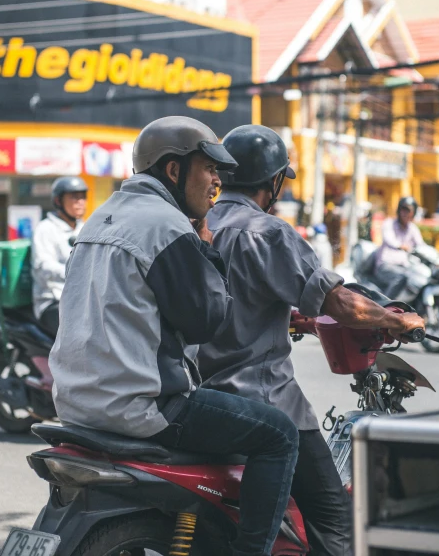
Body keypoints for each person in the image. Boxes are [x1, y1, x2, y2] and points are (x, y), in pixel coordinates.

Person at [49, 116, 301, 556]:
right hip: (145, 407)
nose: (217, 182)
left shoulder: (98, 220)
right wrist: (205, 247)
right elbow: (208, 321)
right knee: (278, 433)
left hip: (77, 403)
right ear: (173, 170)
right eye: (210, 170)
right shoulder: (167, 227)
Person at [196, 125, 425, 556]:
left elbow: (228, 306)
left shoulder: (202, 225)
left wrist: (289, 319)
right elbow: (343, 305)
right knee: (333, 515)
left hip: (206, 399)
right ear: (274, 181)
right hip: (264, 399)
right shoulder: (266, 231)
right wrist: (398, 322)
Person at [31, 176, 88, 337]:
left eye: (83, 196)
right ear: (58, 201)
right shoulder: (45, 229)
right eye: (74, 197)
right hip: (52, 302)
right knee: (83, 338)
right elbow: (43, 266)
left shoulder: (85, 228)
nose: (80, 202)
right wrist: (75, 273)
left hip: (81, 299)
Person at [374, 196, 423, 301]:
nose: (405, 213)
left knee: (416, 277)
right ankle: (384, 305)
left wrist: (436, 258)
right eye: (403, 209)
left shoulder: (413, 228)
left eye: (408, 210)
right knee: (401, 277)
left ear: (413, 213)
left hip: (404, 267)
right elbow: (388, 239)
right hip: (385, 266)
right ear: (399, 210)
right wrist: (400, 246)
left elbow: (421, 246)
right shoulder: (389, 223)